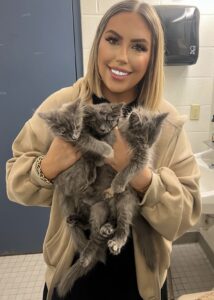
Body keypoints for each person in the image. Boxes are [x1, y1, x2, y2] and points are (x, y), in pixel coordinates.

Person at [6, 1, 201, 299]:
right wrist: (48, 167)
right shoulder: (63, 105)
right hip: (71, 276)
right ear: (98, 43)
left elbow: (185, 215)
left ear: (152, 56)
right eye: (112, 40)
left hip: (140, 285)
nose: (122, 57)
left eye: (138, 46)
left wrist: (140, 176)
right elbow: (15, 183)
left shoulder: (166, 122)